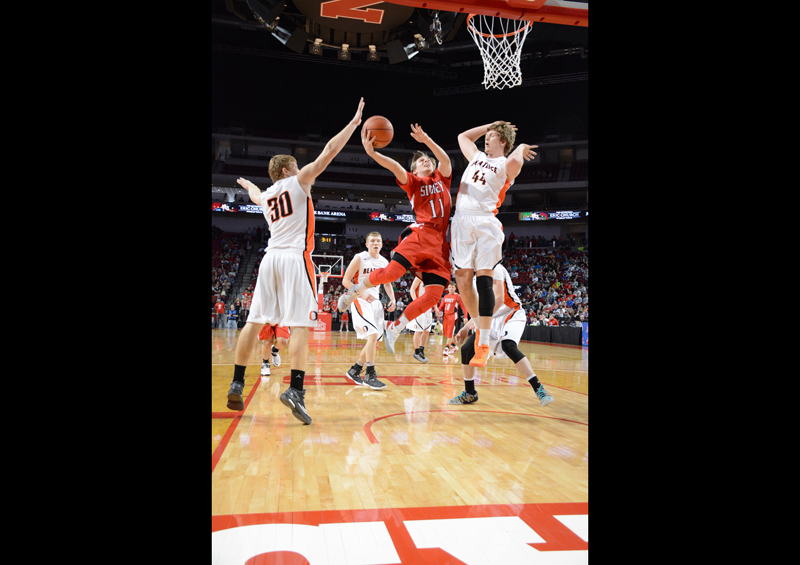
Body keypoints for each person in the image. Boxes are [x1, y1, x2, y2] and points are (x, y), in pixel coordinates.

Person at [224, 97, 366, 425]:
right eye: (296, 167)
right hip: (294, 258)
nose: (301, 170)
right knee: (301, 324)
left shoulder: (269, 195)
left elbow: (257, 196)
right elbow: (329, 149)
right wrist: (354, 123)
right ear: (289, 170)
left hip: (269, 259)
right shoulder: (299, 182)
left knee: (254, 321)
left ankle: (237, 381)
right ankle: (296, 389)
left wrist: (249, 186)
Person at [338, 123, 453, 357]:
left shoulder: (442, 178)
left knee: (432, 295)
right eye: (421, 161)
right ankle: (355, 290)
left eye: (428, 160)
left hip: (439, 244)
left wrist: (427, 140)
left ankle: (396, 327)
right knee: (392, 273)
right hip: (420, 235)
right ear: (415, 170)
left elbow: (446, 160)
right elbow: (396, 167)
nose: (426, 161)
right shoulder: (413, 183)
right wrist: (372, 153)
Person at [451, 121, 538, 368]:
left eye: (491, 136)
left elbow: (517, 163)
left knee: (484, 280)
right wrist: (490, 125)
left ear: (503, 142)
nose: (485, 139)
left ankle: (485, 343)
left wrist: (519, 146)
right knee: (464, 282)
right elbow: (462, 135)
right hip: (460, 222)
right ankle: (480, 331)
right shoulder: (476, 156)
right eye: (486, 136)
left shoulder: (505, 164)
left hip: (485, 222)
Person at [450, 264, 554, 407]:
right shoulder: (473, 279)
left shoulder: (495, 268)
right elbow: (477, 307)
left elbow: (498, 299)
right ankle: (470, 393)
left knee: (508, 345)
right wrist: (467, 327)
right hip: (490, 318)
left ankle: (539, 389)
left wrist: (477, 322)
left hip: (511, 312)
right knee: (466, 349)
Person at [341, 231, 396, 389]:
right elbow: (346, 280)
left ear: (381, 244)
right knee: (372, 335)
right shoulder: (360, 258)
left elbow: (387, 283)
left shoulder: (384, 262)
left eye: (378, 241)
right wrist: (362, 293)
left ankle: (355, 369)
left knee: (374, 341)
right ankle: (370, 375)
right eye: (372, 241)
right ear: (367, 244)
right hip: (360, 300)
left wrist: (392, 299)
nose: (375, 243)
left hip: (376, 303)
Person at [407, 277, 435, 363]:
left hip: (429, 308)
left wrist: (435, 307)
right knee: (418, 330)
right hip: (420, 307)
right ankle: (416, 352)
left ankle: (421, 351)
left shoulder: (433, 278)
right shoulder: (419, 275)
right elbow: (412, 289)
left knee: (427, 331)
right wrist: (416, 302)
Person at [437, 281, 467, 356]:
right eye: (450, 287)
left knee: (450, 333)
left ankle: (446, 348)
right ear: (447, 288)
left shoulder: (457, 296)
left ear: (455, 288)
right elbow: (441, 307)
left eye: (452, 287)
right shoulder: (445, 296)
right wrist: (437, 311)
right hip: (445, 316)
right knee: (448, 334)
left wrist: (465, 317)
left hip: (453, 316)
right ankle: (454, 346)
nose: (451, 288)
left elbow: (464, 307)